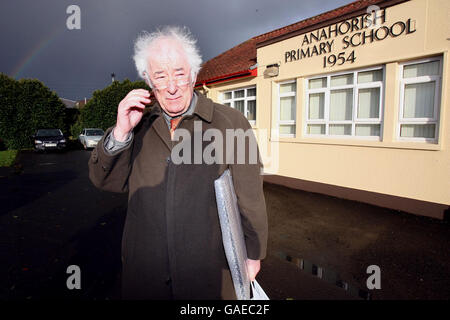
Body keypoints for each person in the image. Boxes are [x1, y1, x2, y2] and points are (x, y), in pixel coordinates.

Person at [88, 26, 268, 300]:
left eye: (179, 73)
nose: (171, 87)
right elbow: (105, 180)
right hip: (144, 274)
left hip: (210, 275)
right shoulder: (139, 125)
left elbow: (250, 198)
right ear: (148, 80)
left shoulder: (230, 122)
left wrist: (253, 254)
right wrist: (121, 132)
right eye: (160, 75)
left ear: (194, 74)